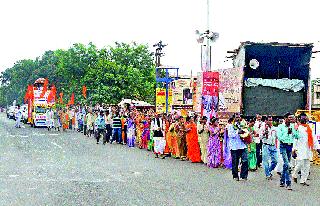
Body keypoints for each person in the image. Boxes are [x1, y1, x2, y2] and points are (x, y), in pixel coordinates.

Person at [292, 113, 320, 186]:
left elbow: (314, 139)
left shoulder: (309, 128)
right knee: (300, 164)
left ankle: (303, 181)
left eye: (305, 118)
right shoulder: (297, 128)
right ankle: (294, 174)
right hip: (299, 149)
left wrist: (318, 148)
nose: (304, 119)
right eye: (302, 118)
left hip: (308, 149)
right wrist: (293, 150)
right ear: (299, 119)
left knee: (307, 166)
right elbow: (295, 139)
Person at [277, 113, 297, 190]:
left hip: (290, 146)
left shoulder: (292, 126)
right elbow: (280, 137)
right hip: (283, 146)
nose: (290, 119)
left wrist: (294, 130)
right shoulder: (280, 127)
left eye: (291, 118)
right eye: (289, 118)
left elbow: (297, 136)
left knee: (286, 164)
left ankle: (282, 180)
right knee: (287, 164)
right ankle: (288, 183)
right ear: (285, 118)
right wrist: (287, 133)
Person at [228, 114, 249, 181]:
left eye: (239, 117)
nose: (238, 118)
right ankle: (235, 176)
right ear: (234, 118)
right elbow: (230, 135)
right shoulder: (230, 126)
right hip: (234, 146)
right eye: (236, 117)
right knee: (235, 162)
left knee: (245, 160)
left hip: (242, 145)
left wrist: (245, 134)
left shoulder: (243, 125)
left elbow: (246, 133)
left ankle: (244, 175)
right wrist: (237, 132)